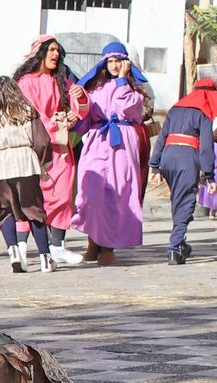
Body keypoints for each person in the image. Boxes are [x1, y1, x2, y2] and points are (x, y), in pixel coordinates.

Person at [0, 76, 55, 274]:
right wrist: (43, 161)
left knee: (4, 210)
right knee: (33, 209)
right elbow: (42, 141)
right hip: (24, 162)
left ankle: (14, 253)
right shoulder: (27, 111)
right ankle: (45, 258)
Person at [14, 36, 88, 267]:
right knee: (29, 198)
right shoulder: (26, 82)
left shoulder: (61, 81)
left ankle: (57, 247)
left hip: (61, 150)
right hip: (35, 148)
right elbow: (30, 114)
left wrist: (79, 103)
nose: (56, 54)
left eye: (58, 51)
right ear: (40, 52)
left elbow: (81, 108)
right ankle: (21, 247)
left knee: (63, 194)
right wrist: (58, 125)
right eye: (52, 50)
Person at [71, 43, 146, 265]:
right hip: (97, 141)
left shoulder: (135, 93)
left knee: (116, 193)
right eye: (110, 61)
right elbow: (84, 118)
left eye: (118, 61)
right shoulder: (94, 90)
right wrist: (78, 105)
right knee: (92, 193)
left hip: (122, 143)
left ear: (126, 63)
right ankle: (93, 241)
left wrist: (123, 79)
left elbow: (125, 109)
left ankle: (107, 246)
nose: (114, 65)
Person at [153, 78, 217, 266]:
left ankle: (181, 243)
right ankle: (175, 248)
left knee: (178, 200)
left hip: (168, 156)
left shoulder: (175, 108)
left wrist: (154, 165)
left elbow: (162, 137)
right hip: (187, 158)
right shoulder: (204, 113)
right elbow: (206, 147)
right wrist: (209, 176)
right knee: (185, 201)